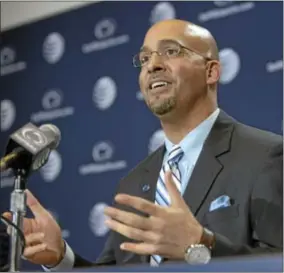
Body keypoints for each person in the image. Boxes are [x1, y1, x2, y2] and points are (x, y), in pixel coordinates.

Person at [2, 19, 283, 270]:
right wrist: (62, 257)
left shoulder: (265, 156)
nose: (153, 64)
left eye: (171, 51)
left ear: (211, 72)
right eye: (145, 57)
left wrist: (202, 245)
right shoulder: (134, 184)